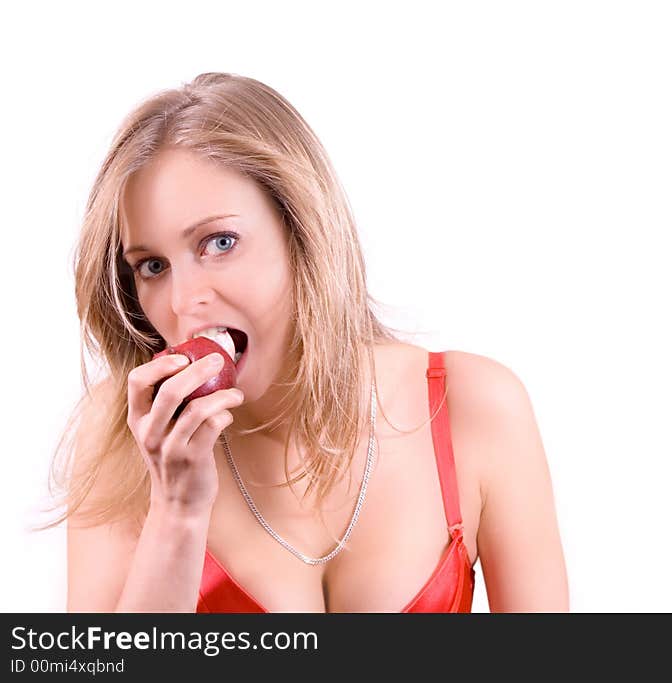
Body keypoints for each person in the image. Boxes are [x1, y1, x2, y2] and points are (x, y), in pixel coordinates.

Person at [45, 72, 568, 612]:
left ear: (302, 234)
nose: (182, 302)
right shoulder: (121, 436)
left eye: (219, 243)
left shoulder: (472, 406)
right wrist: (175, 510)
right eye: (152, 266)